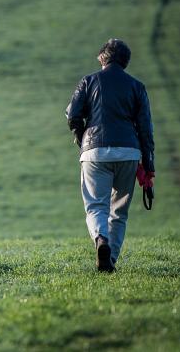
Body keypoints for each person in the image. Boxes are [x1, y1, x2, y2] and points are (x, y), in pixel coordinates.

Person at [65, 38, 155, 272]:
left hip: (94, 153)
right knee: (119, 212)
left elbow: (72, 115)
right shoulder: (137, 87)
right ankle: (110, 260)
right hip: (128, 152)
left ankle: (100, 240)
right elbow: (146, 130)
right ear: (125, 61)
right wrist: (149, 167)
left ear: (102, 58)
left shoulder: (88, 81)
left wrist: (80, 135)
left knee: (96, 206)